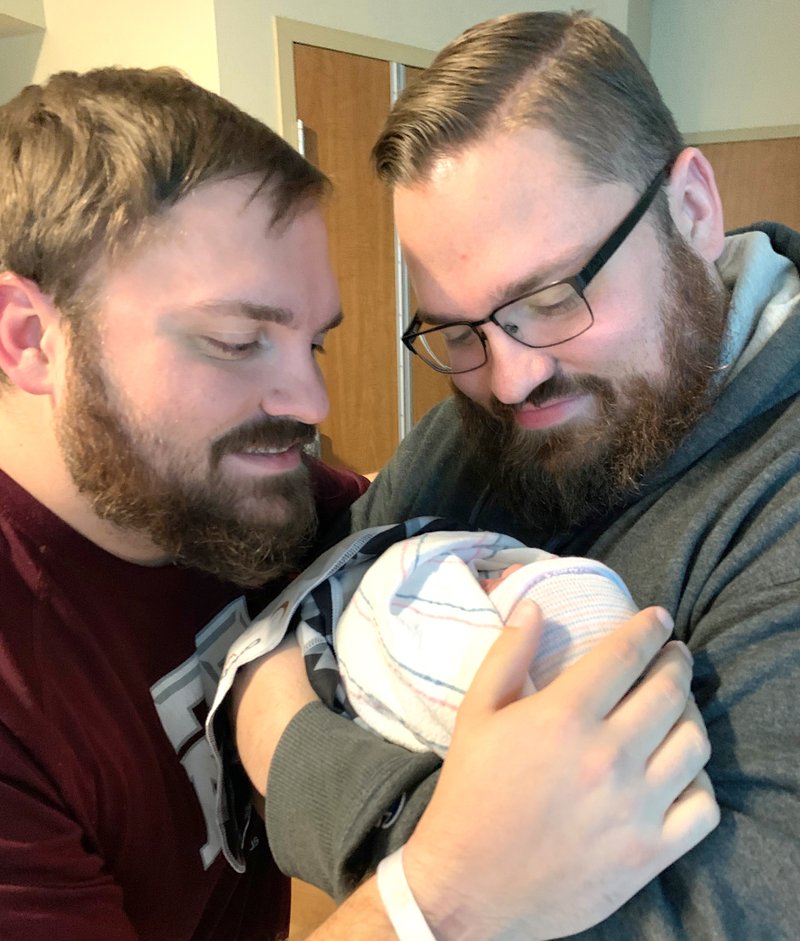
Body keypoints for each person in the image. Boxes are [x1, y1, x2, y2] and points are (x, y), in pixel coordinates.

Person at [0, 64, 714, 941]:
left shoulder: (233, 494)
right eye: (236, 341)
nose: (310, 404)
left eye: (315, 342)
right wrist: (439, 894)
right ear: (31, 339)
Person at [238, 9, 800, 940]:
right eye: (457, 331)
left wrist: (290, 748)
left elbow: (718, 917)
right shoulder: (476, 428)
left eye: (550, 299)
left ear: (693, 209)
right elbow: (312, 602)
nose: (511, 377)